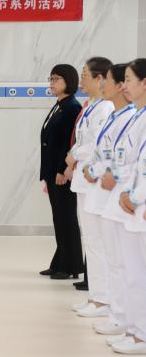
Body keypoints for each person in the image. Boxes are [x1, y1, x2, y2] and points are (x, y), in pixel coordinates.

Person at [80, 64, 135, 324]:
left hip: (118, 190)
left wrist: (97, 169)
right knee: (99, 247)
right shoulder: (115, 115)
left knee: (117, 257)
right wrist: (93, 167)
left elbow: (124, 158)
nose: (104, 85)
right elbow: (103, 150)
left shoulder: (129, 117)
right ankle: (102, 300)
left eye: (109, 80)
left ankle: (112, 307)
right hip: (101, 187)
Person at [64, 57, 114, 314]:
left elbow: (96, 145)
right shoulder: (92, 106)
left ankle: (103, 300)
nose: (81, 80)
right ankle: (95, 295)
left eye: (85, 75)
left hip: (94, 180)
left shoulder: (105, 108)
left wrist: (74, 155)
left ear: (100, 78)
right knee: (91, 241)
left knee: (97, 242)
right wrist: (74, 154)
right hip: (83, 180)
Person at [108, 58, 146, 354]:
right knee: (132, 272)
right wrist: (127, 192)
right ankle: (134, 330)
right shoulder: (138, 116)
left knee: (139, 273)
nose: (125, 86)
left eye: (130, 80)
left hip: (139, 203)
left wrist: (135, 196)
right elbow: (131, 162)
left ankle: (142, 334)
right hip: (131, 200)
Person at [40, 64, 84, 279]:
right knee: (59, 218)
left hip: (62, 173)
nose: (52, 82)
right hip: (52, 171)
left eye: (57, 78)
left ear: (69, 81)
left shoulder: (72, 107)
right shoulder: (59, 106)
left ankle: (71, 266)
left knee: (67, 218)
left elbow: (67, 143)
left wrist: (60, 170)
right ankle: (60, 262)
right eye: (51, 78)